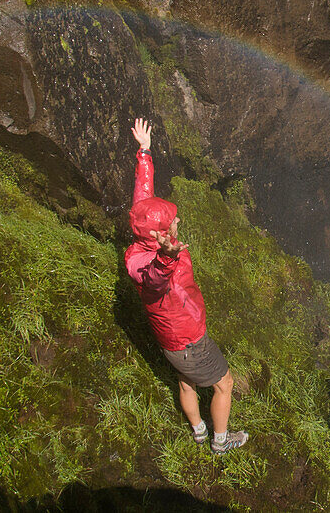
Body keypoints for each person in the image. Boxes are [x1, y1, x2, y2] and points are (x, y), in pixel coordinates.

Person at [126, 117, 248, 454]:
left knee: (185, 380)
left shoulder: (141, 230)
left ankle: (197, 431)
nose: (177, 220)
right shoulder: (149, 266)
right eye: (172, 222)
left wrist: (144, 153)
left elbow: (143, 200)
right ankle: (220, 442)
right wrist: (167, 258)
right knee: (225, 384)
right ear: (159, 237)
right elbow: (155, 280)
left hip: (170, 340)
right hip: (189, 340)